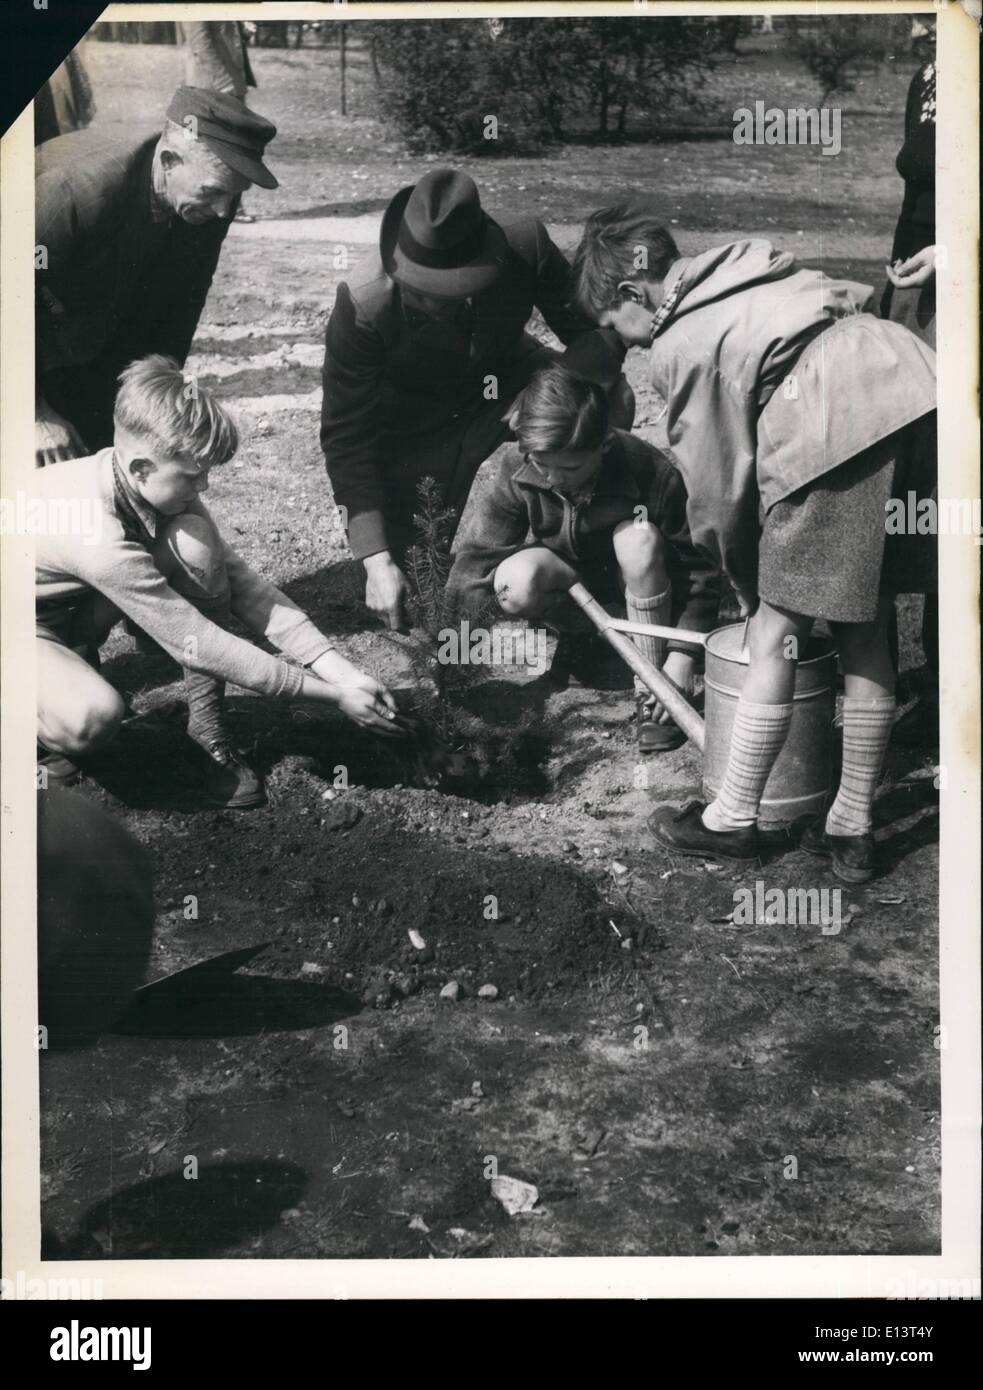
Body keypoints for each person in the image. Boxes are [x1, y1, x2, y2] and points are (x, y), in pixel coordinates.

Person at [572, 208, 936, 881]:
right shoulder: (742, 273)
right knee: (867, 622)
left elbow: (715, 489)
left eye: (611, 326)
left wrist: (743, 583)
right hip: (917, 391)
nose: (621, 342)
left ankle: (731, 820)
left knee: (774, 633)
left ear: (632, 291)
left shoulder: (681, 341)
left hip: (841, 416)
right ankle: (849, 829)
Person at [36, 356, 405, 809]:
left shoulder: (142, 487)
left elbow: (247, 589)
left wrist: (345, 673)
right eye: (193, 476)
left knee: (196, 545)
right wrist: (333, 696)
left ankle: (207, 731)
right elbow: (198, 641)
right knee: (90, 719)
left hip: (62, 608)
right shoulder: (94, 533)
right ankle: (35, 720)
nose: (205, 487)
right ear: (141, 469)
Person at [320, 168, 634, 634]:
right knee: (418, 593)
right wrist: (374, 558)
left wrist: (549, 387)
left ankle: (591, 554)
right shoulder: (363, 303)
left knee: (608, 395)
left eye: (454, 292)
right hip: (418, 419)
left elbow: (599, 333)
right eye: (423, 293)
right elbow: (346, 435)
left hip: (506, 379)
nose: (437, 305)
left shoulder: (524, 246)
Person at [447, 364, 719, 750]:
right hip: (573, 584)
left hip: (644, 592)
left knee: (637, 541)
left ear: (603, 445)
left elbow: (698, 570)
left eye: (571, 467)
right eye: (544, 466)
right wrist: (453, 649)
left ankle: (653, 686)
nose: (555, 479)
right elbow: (478, 559)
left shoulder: (648, 469)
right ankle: (580, 643)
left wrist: (684, 656)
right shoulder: (517, 466)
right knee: (514, 583)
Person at [35, 85, 277, 468]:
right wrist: (34, 413)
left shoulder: (209, 199)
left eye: (236, 196)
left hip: (91, 343)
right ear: (168, 160)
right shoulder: (73, 192)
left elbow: (181, 305)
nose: (223, 210)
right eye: (215, 192)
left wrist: (151, 403)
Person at [881, 20, 938, 745]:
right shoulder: (926, 76)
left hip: (962, 289)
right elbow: (917, 189)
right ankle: (907, 670)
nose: (920, 22)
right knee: (912, 473)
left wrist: (951, 255)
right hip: (915, 292)